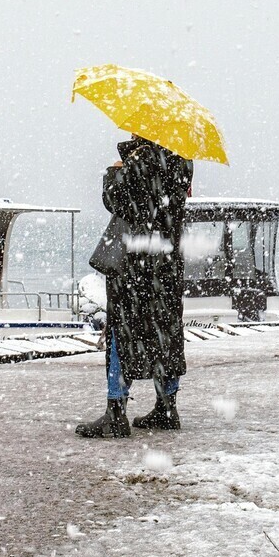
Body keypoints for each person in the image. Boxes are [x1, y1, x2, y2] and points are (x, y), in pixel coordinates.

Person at [76, 134, 193, 438]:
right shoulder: (182, 161)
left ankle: (116, 413)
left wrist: (115, 170)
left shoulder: (138, 162)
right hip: (166, 265)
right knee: (166, 333)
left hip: (134, 267)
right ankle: (167, 408)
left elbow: (115, 202)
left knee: (121, 333)